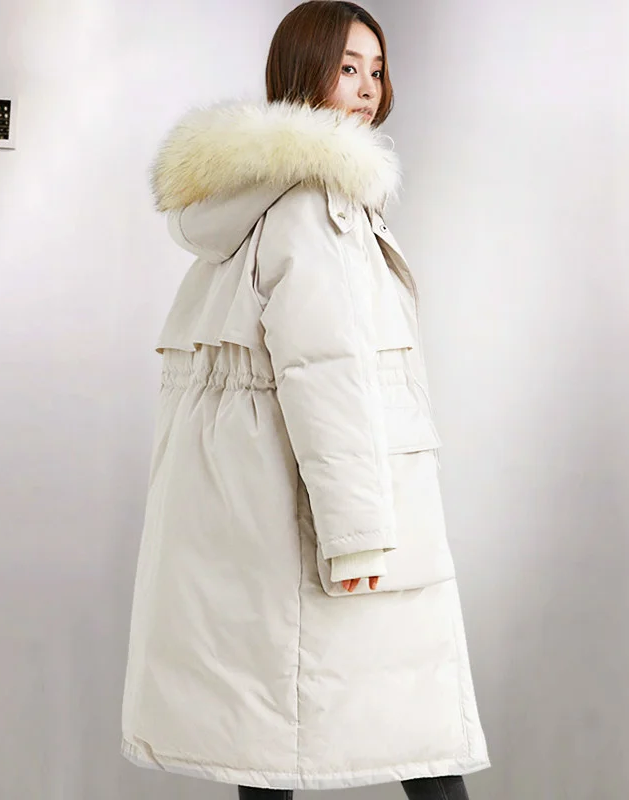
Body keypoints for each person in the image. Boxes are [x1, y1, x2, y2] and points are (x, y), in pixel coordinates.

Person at [121, 2, 490, 797]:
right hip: (330, 520)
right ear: (301, 71)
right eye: (347, 68)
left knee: (266, 737)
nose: (366, 88)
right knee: (419, 738)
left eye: (376, 70)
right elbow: (326, 373)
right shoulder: (314, 208)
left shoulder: (255, 203)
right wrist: (357, 537)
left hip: (260, 519)